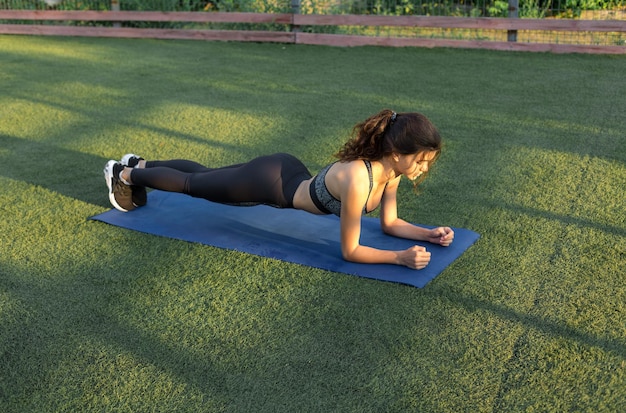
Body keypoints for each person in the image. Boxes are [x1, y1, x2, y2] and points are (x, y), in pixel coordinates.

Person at [103, 109, 454, 270]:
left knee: (207, 175)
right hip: (269, 184)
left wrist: (428, 235)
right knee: (195, 185)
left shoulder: (389, 172)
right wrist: (399, 258)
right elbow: (350, 250)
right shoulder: (359, 179)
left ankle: (142, 164)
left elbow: (390, 224)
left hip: (285, 172)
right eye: (421, 161)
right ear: (396, 153)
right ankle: (125, 175)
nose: (423, 169)